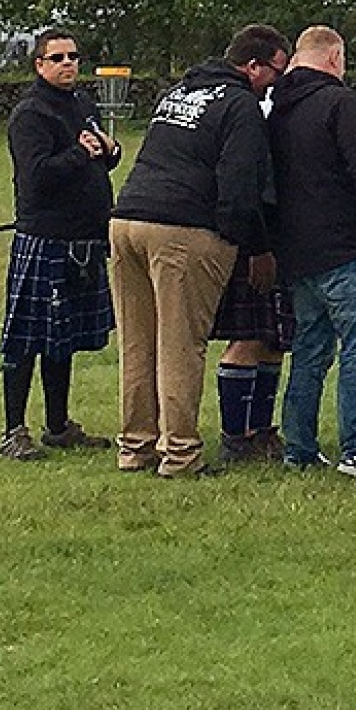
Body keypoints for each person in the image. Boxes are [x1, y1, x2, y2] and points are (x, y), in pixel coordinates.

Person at [110, 25, 288, 478]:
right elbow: (239, 185)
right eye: (275, 72)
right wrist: (252, 247)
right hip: (183, 227)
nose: (276, 83)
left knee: (138, 343)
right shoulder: (241, 105)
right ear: (253, 66)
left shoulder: (178, 93)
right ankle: (181, 455)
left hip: (127, 218)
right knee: (180, 346)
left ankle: (135, 447)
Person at [269, 25, 356, 479]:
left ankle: (299, 447)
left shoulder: (277, 111)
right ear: (334, 57)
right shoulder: (342, 103)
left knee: (309, 349)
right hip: (342, 246)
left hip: (297, 251)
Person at [0, 29, 120, 460]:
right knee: (24, 338)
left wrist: (109, 149)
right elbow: (38, 176)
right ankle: (13, 431)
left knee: (61, 337)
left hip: (84, 236)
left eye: (73, 56)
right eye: (58, 58)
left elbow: (102, 160)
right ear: (40, 65)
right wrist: (80, 155)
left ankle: (58, 425)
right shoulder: (30, 114)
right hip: (44, 236)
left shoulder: (82, 105)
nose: (68, 64)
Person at [207, 252, 292, 464]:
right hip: (252, 251)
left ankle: (259, 433)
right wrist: (258, 249)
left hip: (277, 247)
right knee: (247, 340)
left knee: (272, 341)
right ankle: (235, 439)